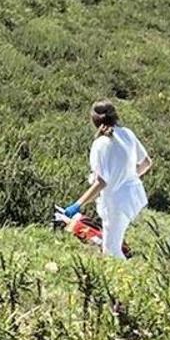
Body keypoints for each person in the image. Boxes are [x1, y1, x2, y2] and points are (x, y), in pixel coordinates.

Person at [62, 101, 152, 259]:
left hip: (117, 202)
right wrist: (126, 176)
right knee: (112, 241)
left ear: (94, 122)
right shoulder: (127, 133)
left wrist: (77, 204)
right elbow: (146, 163)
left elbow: (102, 182)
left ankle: (128, 280)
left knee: (112, 251)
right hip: (134, 197)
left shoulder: (100, 144)